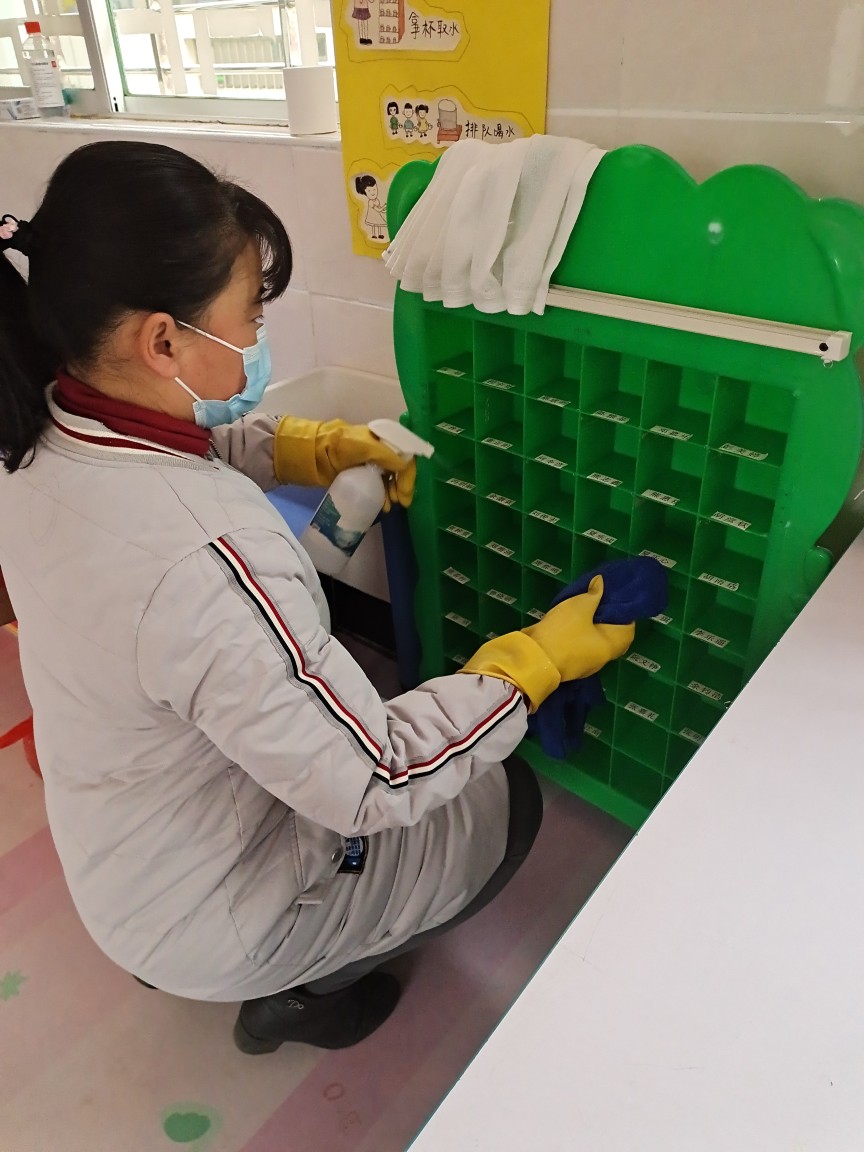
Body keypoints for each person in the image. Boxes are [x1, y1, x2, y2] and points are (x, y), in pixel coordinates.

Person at [0, 141, 634, 1054]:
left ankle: (194, 954)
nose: (258, 339)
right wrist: (530, 664)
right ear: (163, 341)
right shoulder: (207, 562)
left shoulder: (41, 435)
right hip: (214, 910)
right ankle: (299, 992)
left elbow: (181, 452)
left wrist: (309, 447)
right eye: (250, 315)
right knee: (506, 806)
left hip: (124, 860)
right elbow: (377, 778)